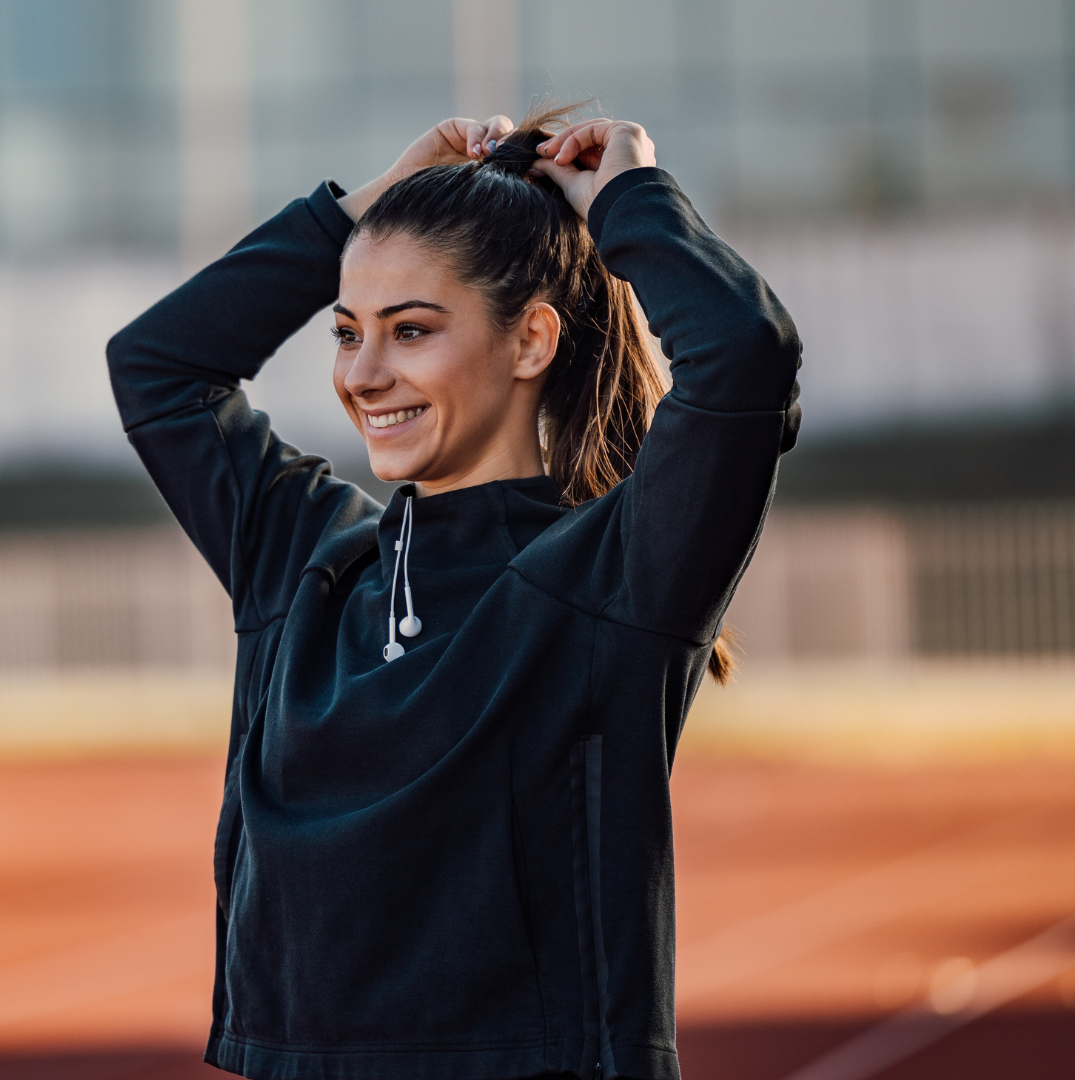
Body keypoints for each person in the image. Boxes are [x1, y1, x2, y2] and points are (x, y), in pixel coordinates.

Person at [105, 104, 801, 1080]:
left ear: (530, 343)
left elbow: (745, 358)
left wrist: (630, 197)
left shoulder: (611, 580)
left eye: (413, 330)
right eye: (350, 333)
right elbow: (158, 369)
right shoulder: (303, 558)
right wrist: (369, 212)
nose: (364, 374)